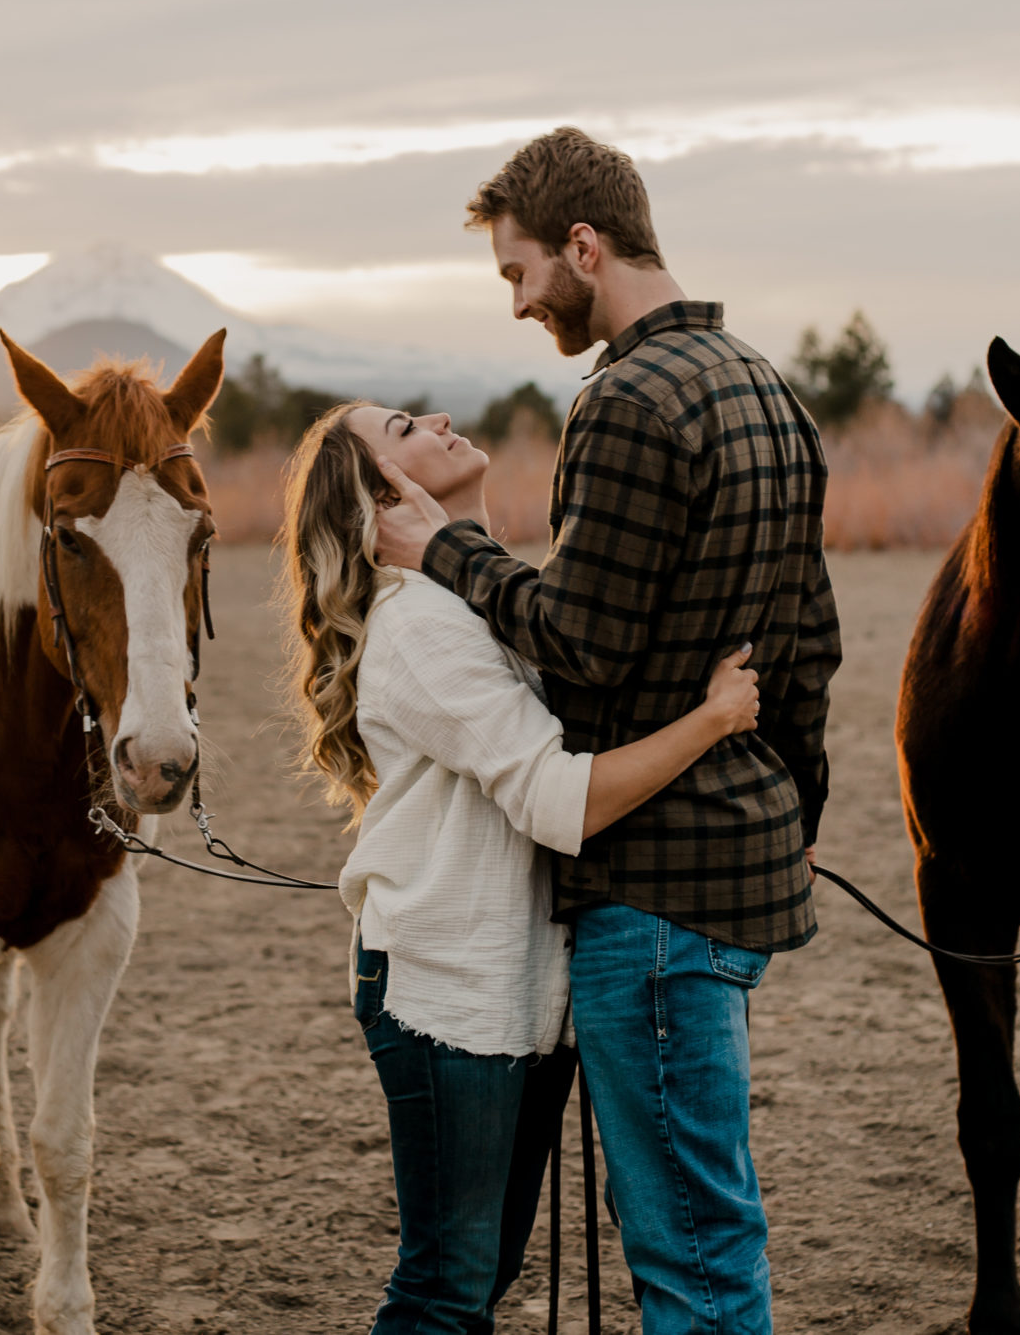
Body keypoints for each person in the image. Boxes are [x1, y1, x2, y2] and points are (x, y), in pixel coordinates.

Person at [371, 126, 840, 1335]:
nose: (522, 303)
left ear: (584, 246)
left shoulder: (627, 400)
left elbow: (581, 642)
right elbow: (807, 653)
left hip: (654, 895)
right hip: (735, 879)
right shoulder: (768, 390)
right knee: (703, 1230)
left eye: (521, 273)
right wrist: (780, 828)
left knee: (689, 1255)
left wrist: (448, 551)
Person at [280, 399, 763, 1335]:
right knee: (445, 1287)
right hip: (445, 993)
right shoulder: (421, 625)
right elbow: (559, 797)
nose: (441, 415)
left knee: (481, 1272)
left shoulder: (480, 598)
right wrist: (710, 721)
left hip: (516, 989)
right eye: (406, 425)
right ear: (383, 498)